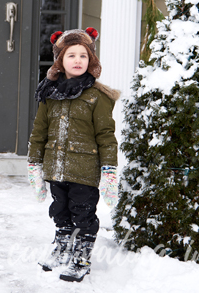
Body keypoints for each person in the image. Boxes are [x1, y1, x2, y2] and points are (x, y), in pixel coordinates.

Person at [27, 28, 119, 282]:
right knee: (60, 211)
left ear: (91, 61)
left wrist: (109, 170)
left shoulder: (96, 97)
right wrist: (34, 164)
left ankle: (81, 257)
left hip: (85, 172)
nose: (78, 60)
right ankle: (62, 247)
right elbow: (39, 132)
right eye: (71, 55)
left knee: (83, 214)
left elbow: (106, 136)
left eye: (83, 55)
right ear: (60, 61)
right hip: (55, 169)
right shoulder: (49, 94)